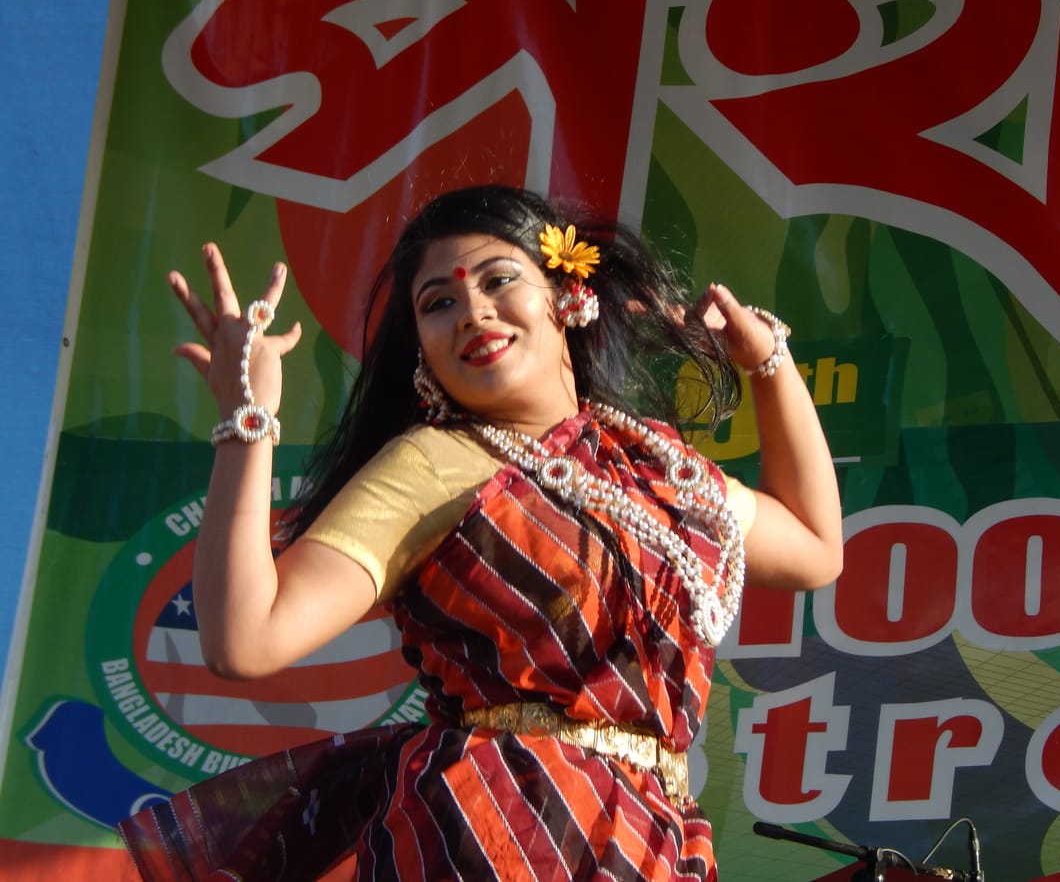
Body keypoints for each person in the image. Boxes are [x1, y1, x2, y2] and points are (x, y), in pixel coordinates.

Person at [117, 185, 843, 881]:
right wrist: (248, 423)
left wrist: (769, 366)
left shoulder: (657, 468)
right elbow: (247, 636)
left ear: (568, 294)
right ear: (423, 352)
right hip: (493, 832)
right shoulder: (434, 464)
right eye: (439, 303)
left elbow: (814, 545)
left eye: (498, 280)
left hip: (651, 837)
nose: (472, 312)